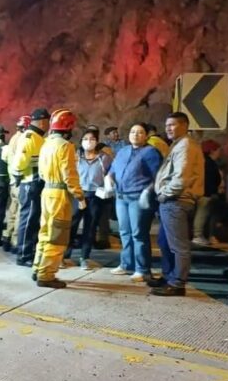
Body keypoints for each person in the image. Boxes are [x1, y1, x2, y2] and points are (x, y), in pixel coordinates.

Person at [149, 112, 205, 296]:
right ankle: (168, 276)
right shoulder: (179, 145)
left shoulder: (186, 145)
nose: (168, 128)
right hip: (172, 201)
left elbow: (182, 177)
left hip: (176, 201)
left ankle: (178, 283)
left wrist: (165, 194)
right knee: (165, 242)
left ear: (185, 125)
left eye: (172, 124)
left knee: (178, 245)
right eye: (167, 125)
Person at [32, 108, 84, 288]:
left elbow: (40, 171)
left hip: (47, 192)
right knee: (57, 236)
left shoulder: (46, 143)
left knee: (45, 232)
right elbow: (69, 174)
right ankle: (46, 275)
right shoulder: (65, 146)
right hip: (60, 195)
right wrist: (79, 195)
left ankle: (38, 267)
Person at [107, 123, 162, 281]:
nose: (135, 135)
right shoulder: (123, 150)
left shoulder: (151, 152)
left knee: (139, 233)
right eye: (132, 132)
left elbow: (157, 176)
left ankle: (142, 269)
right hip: (121, 197)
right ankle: (126, 264)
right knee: (124, 232)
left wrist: (148, 191)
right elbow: (113, 169)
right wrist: (108, 178)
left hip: (138, 197)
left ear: (146, 135)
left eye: (139, 132)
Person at [64, 128, 111, 269]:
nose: (88, 142)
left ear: (97, 141)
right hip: (78, 194)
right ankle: (65, 255)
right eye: (85, 139)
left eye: (92, 139)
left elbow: (110, 174)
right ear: (81, 141)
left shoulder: (104, 158)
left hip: (95, 196)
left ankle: (84, 257)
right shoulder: (76, 156)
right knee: (72, 225)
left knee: (90, 227)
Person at [12, 107, 51, 265]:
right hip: (30, 184)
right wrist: (19, 176)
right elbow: (18, 164)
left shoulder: (38, 137)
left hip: (35, 184)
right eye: (47, 122)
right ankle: (23, 255)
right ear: (42, 122)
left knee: (33, 220)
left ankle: (29, 251)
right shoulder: (30, 137)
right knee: (28, 220)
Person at [2, 115, 31, 252]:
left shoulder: (13, 138)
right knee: (21, 212)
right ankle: (15, 241)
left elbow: (5, 157)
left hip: (12, 180)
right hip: (21, 179)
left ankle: (7, 236)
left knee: (13, 210)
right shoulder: (23, 139)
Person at [192, 139, 223, 246]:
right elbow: (215, 179)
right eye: (219, 150)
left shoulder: (198, 160)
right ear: (212, 151)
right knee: (201, 215)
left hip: (196, 192)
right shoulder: (210, 163)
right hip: (205, 194)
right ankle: (198, 236)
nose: (220, 153)